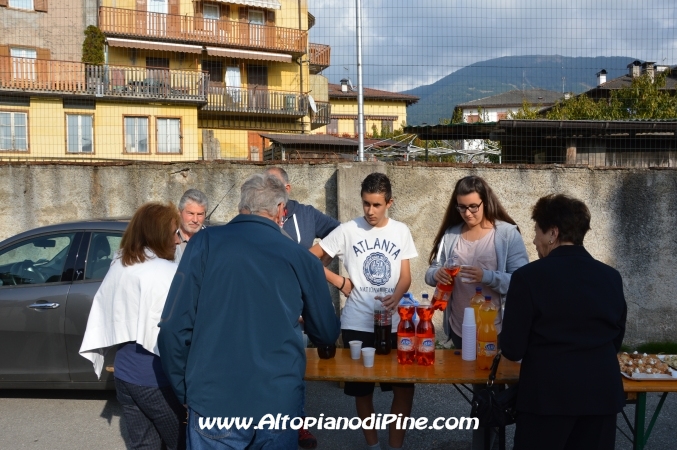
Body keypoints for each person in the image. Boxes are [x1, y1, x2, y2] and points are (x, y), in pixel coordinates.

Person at [157, 173, 340, 449]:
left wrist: (184, 390)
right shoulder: (301, 257)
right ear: (280, 210)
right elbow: (326, 333)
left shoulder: (203, 244)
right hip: (277, 402)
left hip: (213, 400)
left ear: (243, 205)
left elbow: (173, 327)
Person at [501, 194, 627, 450]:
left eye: (537, 231)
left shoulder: (528, 278)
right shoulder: (611, 277)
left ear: (553, 233)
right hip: (601, 395)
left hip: (547, 397)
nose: (534, 240)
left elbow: (512, 349)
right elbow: (615, 337)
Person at [310, 172, 417, 450]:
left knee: (405, 389)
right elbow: (308, 258)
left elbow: (406, 276)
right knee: (362, 390)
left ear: (389, 203)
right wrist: (339, 281)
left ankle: (395, 447)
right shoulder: (348, 229)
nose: (370, 211)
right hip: (357, 322)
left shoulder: (401, 231)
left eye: (377, 205)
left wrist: (397, 295)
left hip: (394, 323)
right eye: (366, 204)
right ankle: (373, 446)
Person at [79, 202, 185, 450]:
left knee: (143, 445)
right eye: (173, 233)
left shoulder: (122, 263)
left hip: (125, 372)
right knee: (182, 443)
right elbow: (177, 333)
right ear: (158, 235)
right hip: (155, 378)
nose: (178, 240)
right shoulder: (166, 272)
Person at [266, 166, 340, 449]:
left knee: (294, 370)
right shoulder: (261, 215)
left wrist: (319, 267)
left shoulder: (306, 214)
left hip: (297, 311)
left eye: (276, 186)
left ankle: (297, 424)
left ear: (287, 189)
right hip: (267, 308)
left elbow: (340, 233)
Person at [424, 175, 529, 349]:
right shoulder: (451, 235)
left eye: (473, 207)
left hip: (495, 329)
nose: (467, 213)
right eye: (462, 207)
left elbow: (522, 281)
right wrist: (437, 274)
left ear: (485, 202)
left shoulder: (507, 234)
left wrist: (486, 276)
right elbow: (430, 273)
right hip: (459, 329)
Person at [266, 166, 340, 248]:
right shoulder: (253, 215)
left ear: (287, 189)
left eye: (273, 186)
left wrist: (317, 254)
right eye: (262, 186)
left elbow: (342, 234)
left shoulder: (307, 214)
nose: (266, 191)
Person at [175, 188, 208, 262]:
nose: (195, 220)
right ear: (179, 213)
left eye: (200, 214)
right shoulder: (169, 238)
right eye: (190, 213)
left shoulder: (211, 239)